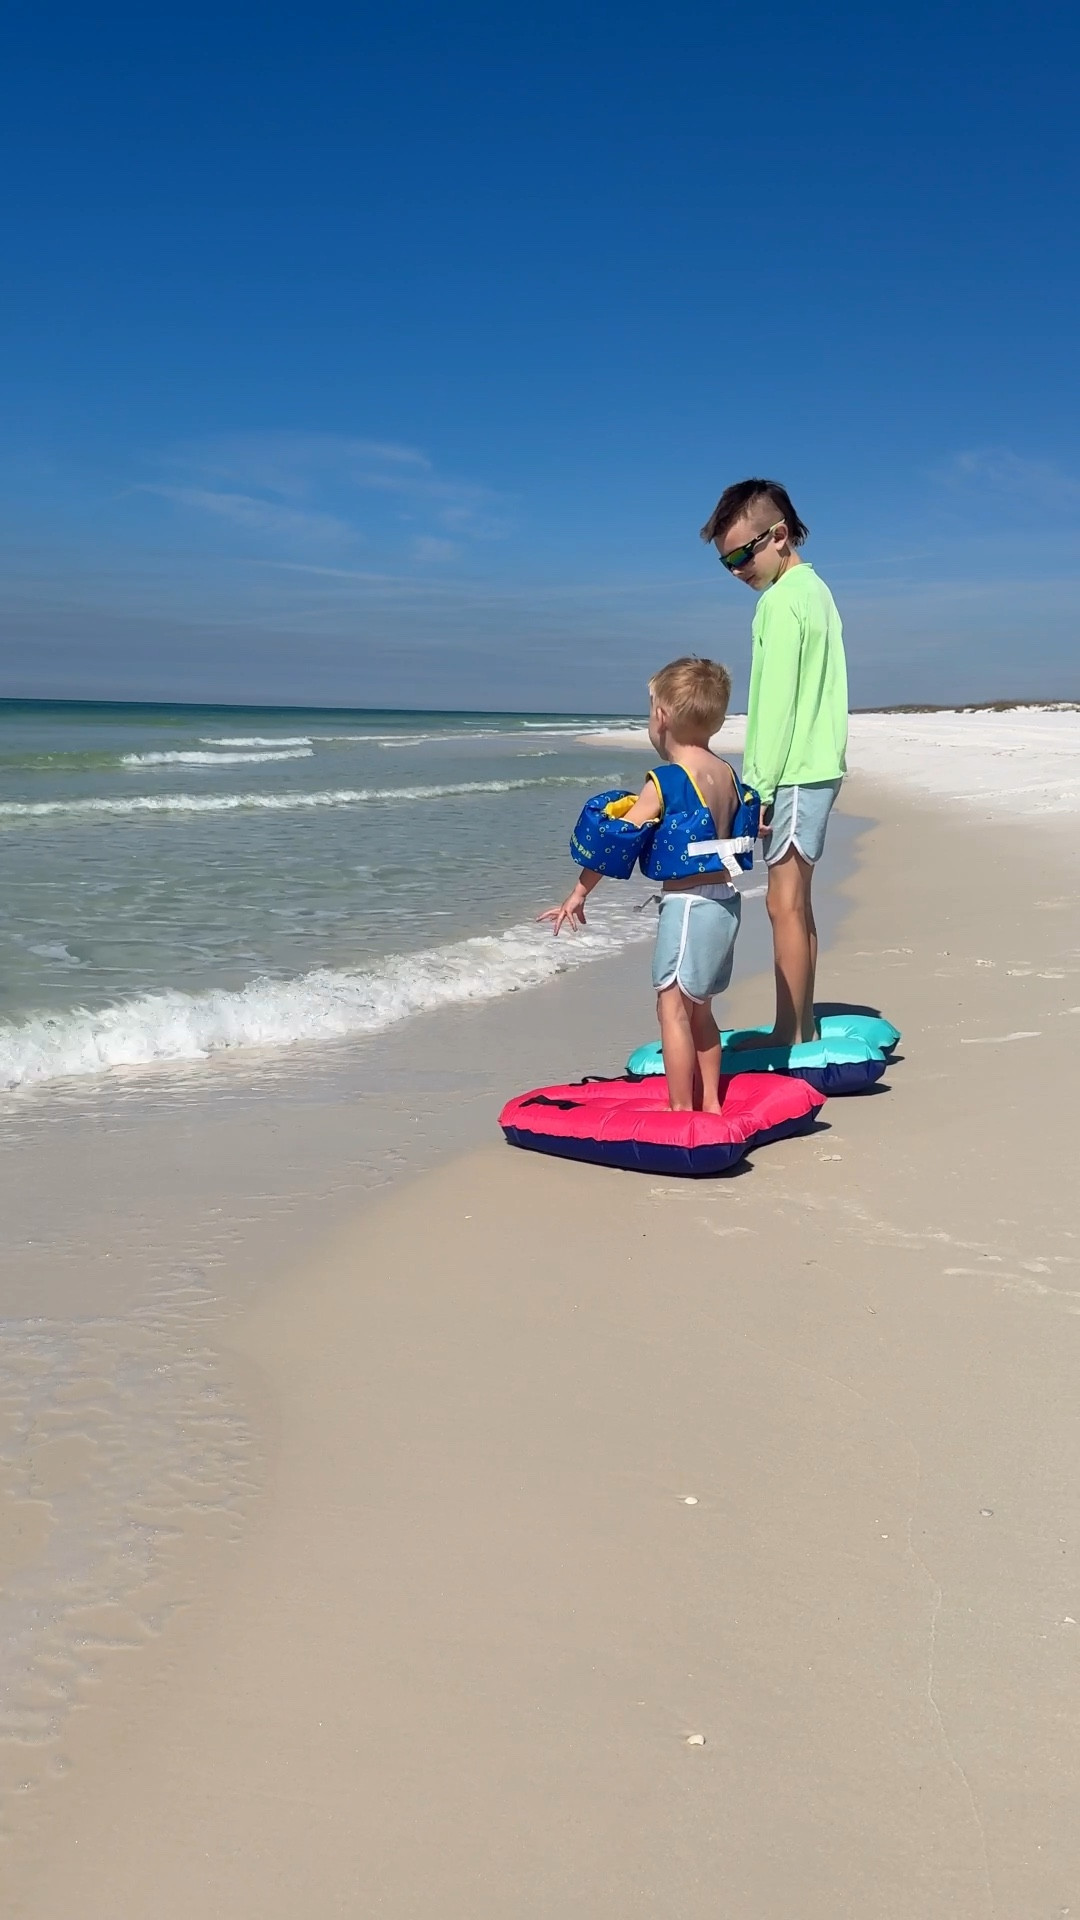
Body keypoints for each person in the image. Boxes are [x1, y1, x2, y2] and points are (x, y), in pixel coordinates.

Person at [540, 657, 743, 1113]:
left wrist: (578, 893)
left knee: (670, 1009)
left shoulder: (666, 781)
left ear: (662, 717)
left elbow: (618, 841)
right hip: (726, 904)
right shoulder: (726, 773)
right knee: (701, 1010)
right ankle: (709, 1102)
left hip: (688, 907)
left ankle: (679, 1111)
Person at [699, 479, 848, 1048]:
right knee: (798, 901)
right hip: (816, 766)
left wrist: (755, 788)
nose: (737, 569)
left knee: (783, 904)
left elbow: (777, 705)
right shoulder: (816, 590)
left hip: (790, 771)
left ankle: (791, 1033)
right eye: (725, 562)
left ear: (779, 535)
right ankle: (801, 1022)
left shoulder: (779, 603)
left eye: (743, 553)